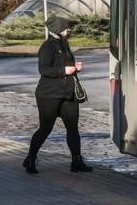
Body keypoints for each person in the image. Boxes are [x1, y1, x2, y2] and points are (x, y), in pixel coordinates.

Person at [24, 16, 92, 174]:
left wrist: (75, 67)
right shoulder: (47, 47)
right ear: (58, 30)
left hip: (67, 94)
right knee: (46, 128)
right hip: (49, 94)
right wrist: (64, 71)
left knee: (73, 128)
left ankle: (77, 161)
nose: (69, 31)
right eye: (66, 28)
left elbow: (65, 65)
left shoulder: (65, 44)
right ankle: (31, 159)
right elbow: (44, 69)